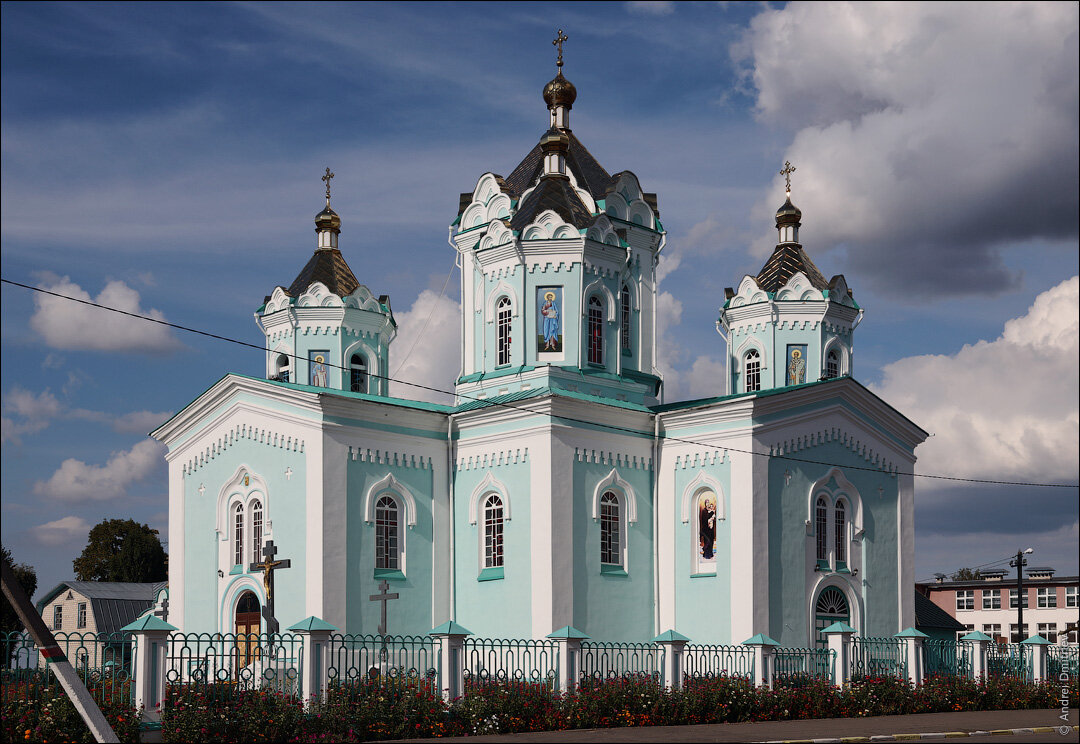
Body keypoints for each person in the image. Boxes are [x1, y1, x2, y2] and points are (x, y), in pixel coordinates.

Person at [699, 495, 716, 560]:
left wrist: (713, 517)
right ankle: (706, 555)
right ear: (705, 503)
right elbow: (704, 519)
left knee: (711, 541)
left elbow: (714, 518)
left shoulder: (711, 510)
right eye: (707, 502)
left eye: (708, 502)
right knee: (707, 542)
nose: (708, 503)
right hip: (706, 529)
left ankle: (710, 554)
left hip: (711, 529)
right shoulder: (704, 510)